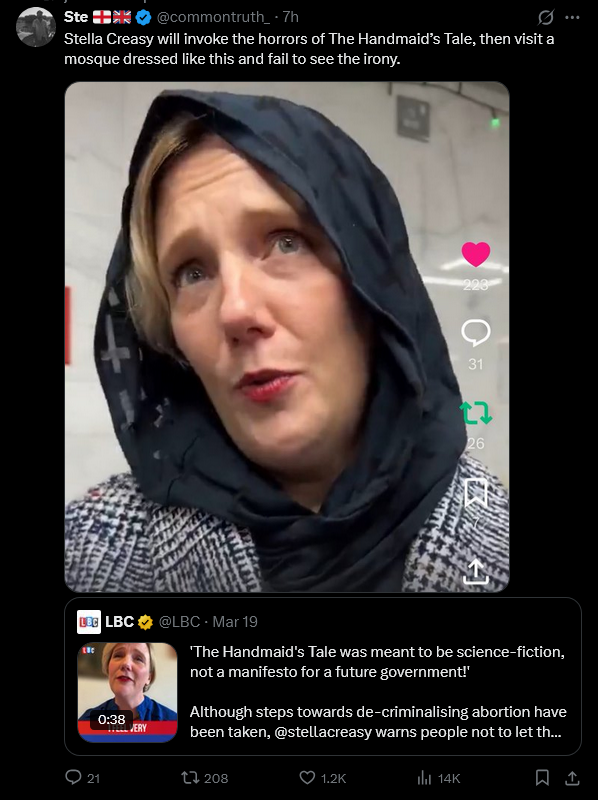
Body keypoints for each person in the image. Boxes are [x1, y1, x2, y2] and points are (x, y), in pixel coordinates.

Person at [65, 89, 509, 593]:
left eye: (286, 242)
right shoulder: (92, 556)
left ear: (372, 288)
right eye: (192, 273)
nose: (236, 311)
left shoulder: (492, 547)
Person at [79, 642, 177, 721]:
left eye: (138, 659)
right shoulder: (87, 722)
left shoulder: (172, 723)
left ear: (149, 677)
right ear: (108, 668)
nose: (126, 664)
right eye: (118, 655)